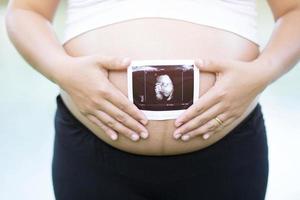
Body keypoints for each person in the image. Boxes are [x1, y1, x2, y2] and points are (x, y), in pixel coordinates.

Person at [5, 0, 300, 199]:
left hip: (227, 147)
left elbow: (294, 11)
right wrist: (62, 70)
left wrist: (263, 72)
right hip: (94, 149)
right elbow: (26, 10)